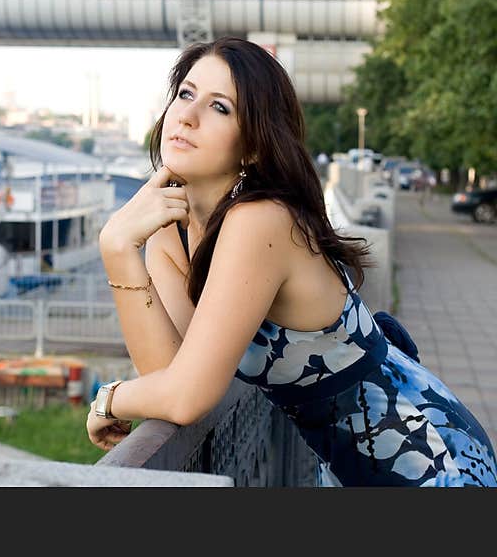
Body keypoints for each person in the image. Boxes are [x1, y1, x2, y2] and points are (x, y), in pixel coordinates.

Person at [88, 37, 496, 487]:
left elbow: (186, 396)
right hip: (350, 464)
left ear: (254, 146)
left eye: (220, 107)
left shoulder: (259, 220)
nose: (187, 114)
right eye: (186, 94)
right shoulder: (173, 228)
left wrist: (109, 398)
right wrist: (121, 251)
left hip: (421, 457)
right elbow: (170, 376)